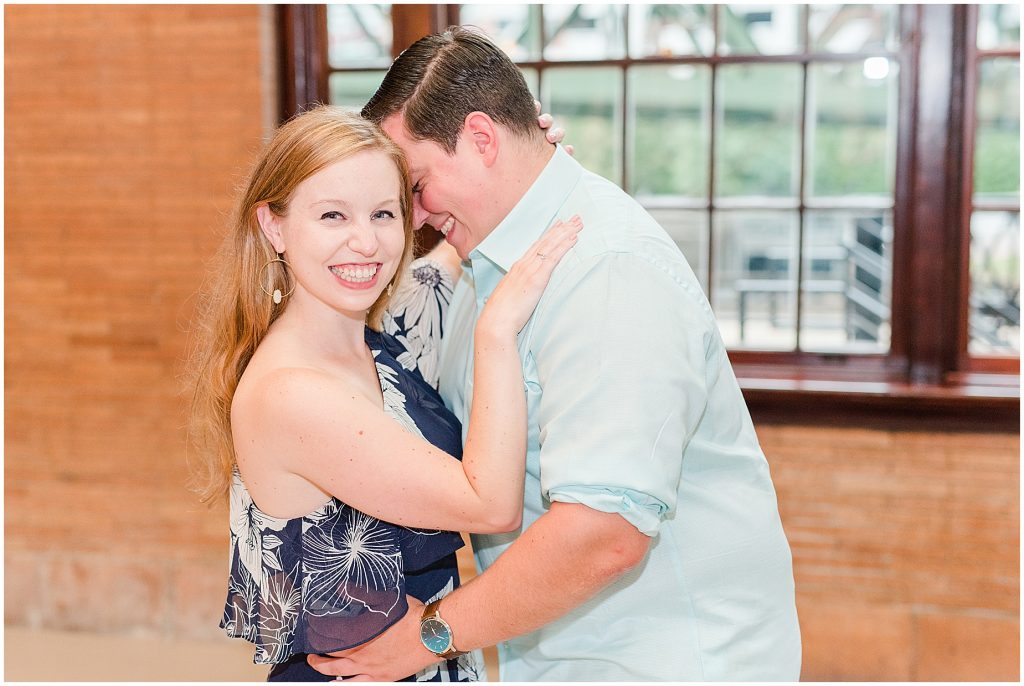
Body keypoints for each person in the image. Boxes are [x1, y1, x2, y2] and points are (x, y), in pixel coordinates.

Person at [309, 26, 802, 681]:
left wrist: (428, 638)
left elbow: (604, 536)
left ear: (482, 139)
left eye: (418, 184)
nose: (418, 215)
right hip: (563, 652)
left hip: (659, 661)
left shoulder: (608, 271)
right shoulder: (483, 260)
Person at [187, 105, 582, 681]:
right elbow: (489, 504)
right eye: (331, 215)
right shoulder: (291, 394)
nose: (365, 242)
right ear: (273, 226)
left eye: (383, 212)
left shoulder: (378, 331)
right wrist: (495, 331)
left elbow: (455, 250)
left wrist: (523, 171)